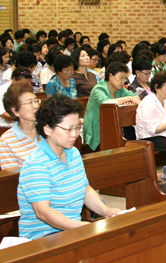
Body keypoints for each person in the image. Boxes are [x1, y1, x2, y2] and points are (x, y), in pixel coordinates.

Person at [17, 94, 121, 240]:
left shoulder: (73, 153)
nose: (75, 134)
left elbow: (84, 189)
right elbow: (43, 212)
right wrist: (83, 227)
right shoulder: (36, 163)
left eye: (77, 128)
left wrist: (105, 210)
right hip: (43, 237)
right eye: (68, 129)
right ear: (47, 129)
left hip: (72, 230)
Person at [83, 62, 140, 151]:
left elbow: (135, 98)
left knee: (130, 132)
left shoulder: (120, 89)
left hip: (114, 126)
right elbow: (106, 103)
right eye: (120, 78)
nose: (123, 81)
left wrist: (130, 99)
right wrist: (128, 99)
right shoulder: (99, 89)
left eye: (124, 78)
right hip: (97, 129)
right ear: (110, 76)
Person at [135, 71, 166, 173]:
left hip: (165, 134)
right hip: (149, 137)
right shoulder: (147, 103)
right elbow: (152, 130)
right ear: (157, 87)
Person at [0, 81, 40, 169]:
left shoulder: (48, 130)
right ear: (15, 111)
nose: (36, 106)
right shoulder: (6, 141)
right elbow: (13, 178)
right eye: (30, 102)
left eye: (36, 101)